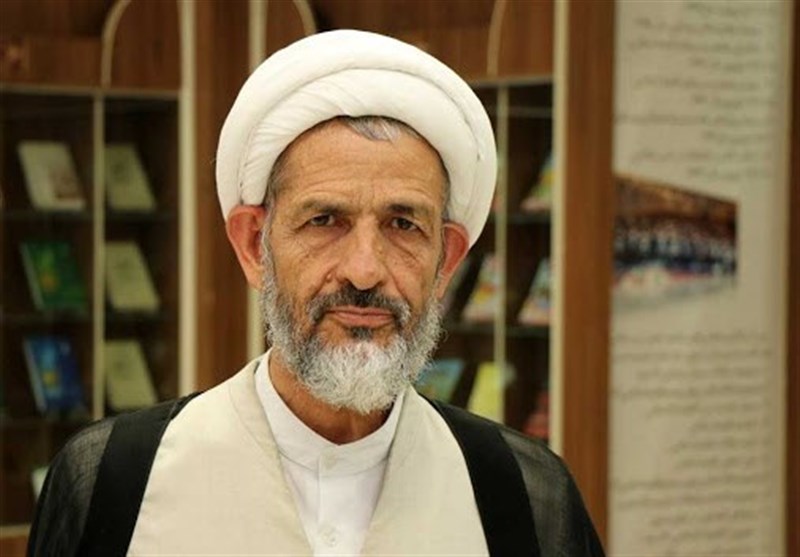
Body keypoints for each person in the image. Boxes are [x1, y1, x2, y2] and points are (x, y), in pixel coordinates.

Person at [28, 30, 603, 557]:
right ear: (254, 245)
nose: (364, 271)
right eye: (325, 220)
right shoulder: (115, 481)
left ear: (447, 260)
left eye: (403, 225)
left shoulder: (523, 495)